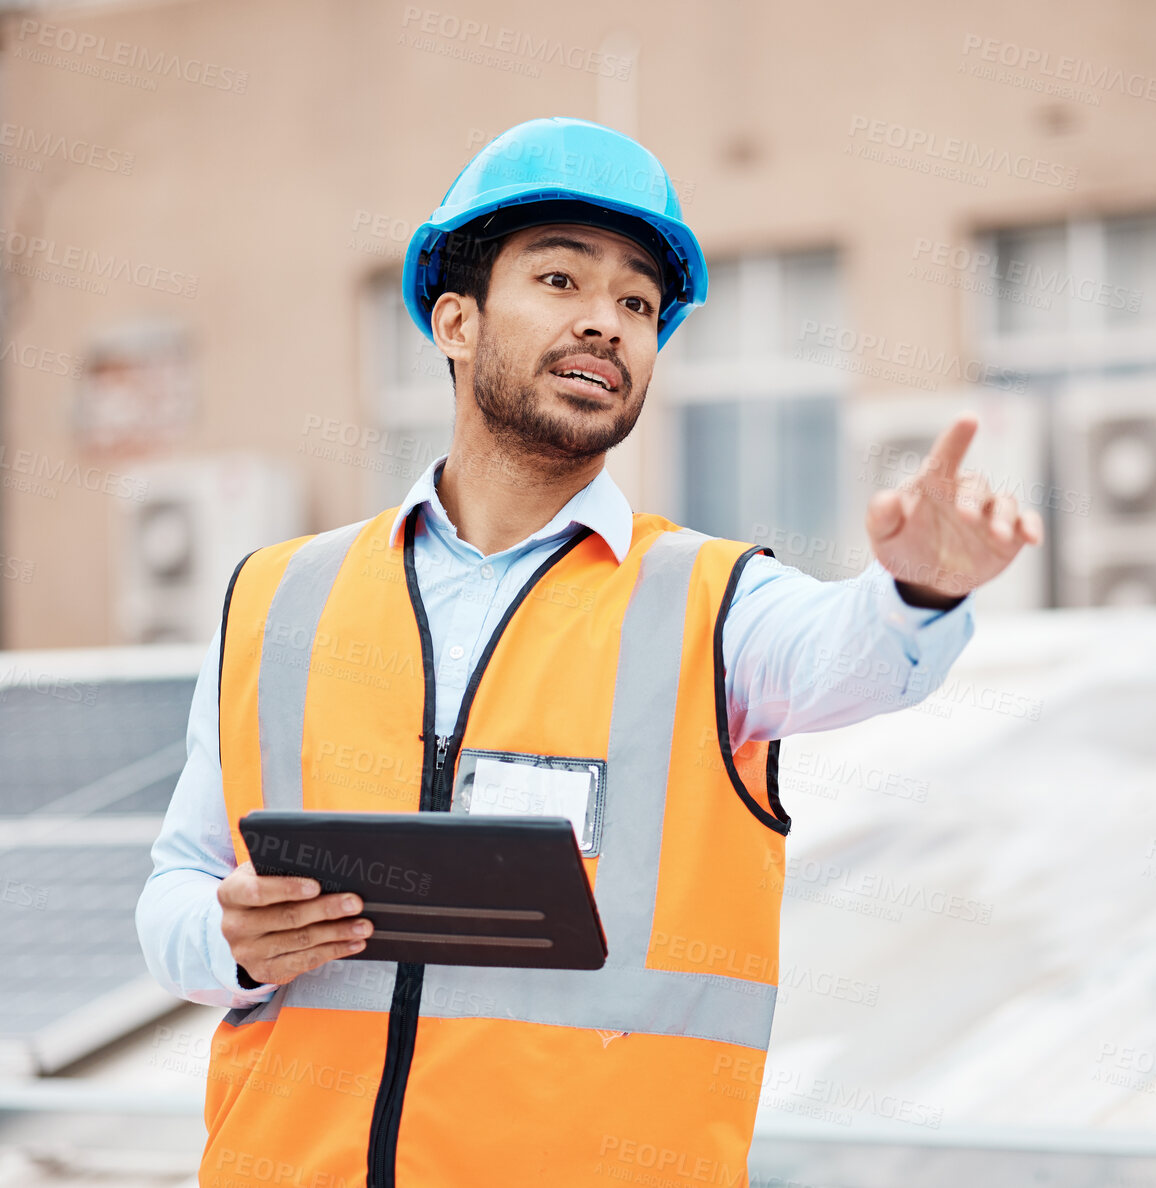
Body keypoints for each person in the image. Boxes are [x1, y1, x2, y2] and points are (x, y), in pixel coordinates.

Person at [137, 116, 1042, 1188]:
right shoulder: (279, 598)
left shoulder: (711, 605)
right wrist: (229, 938)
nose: (606, 324)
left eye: (637, 304)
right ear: (455, 321)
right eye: (561, 281)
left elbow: (853, 654)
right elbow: (175, 895)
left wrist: (920, 585)